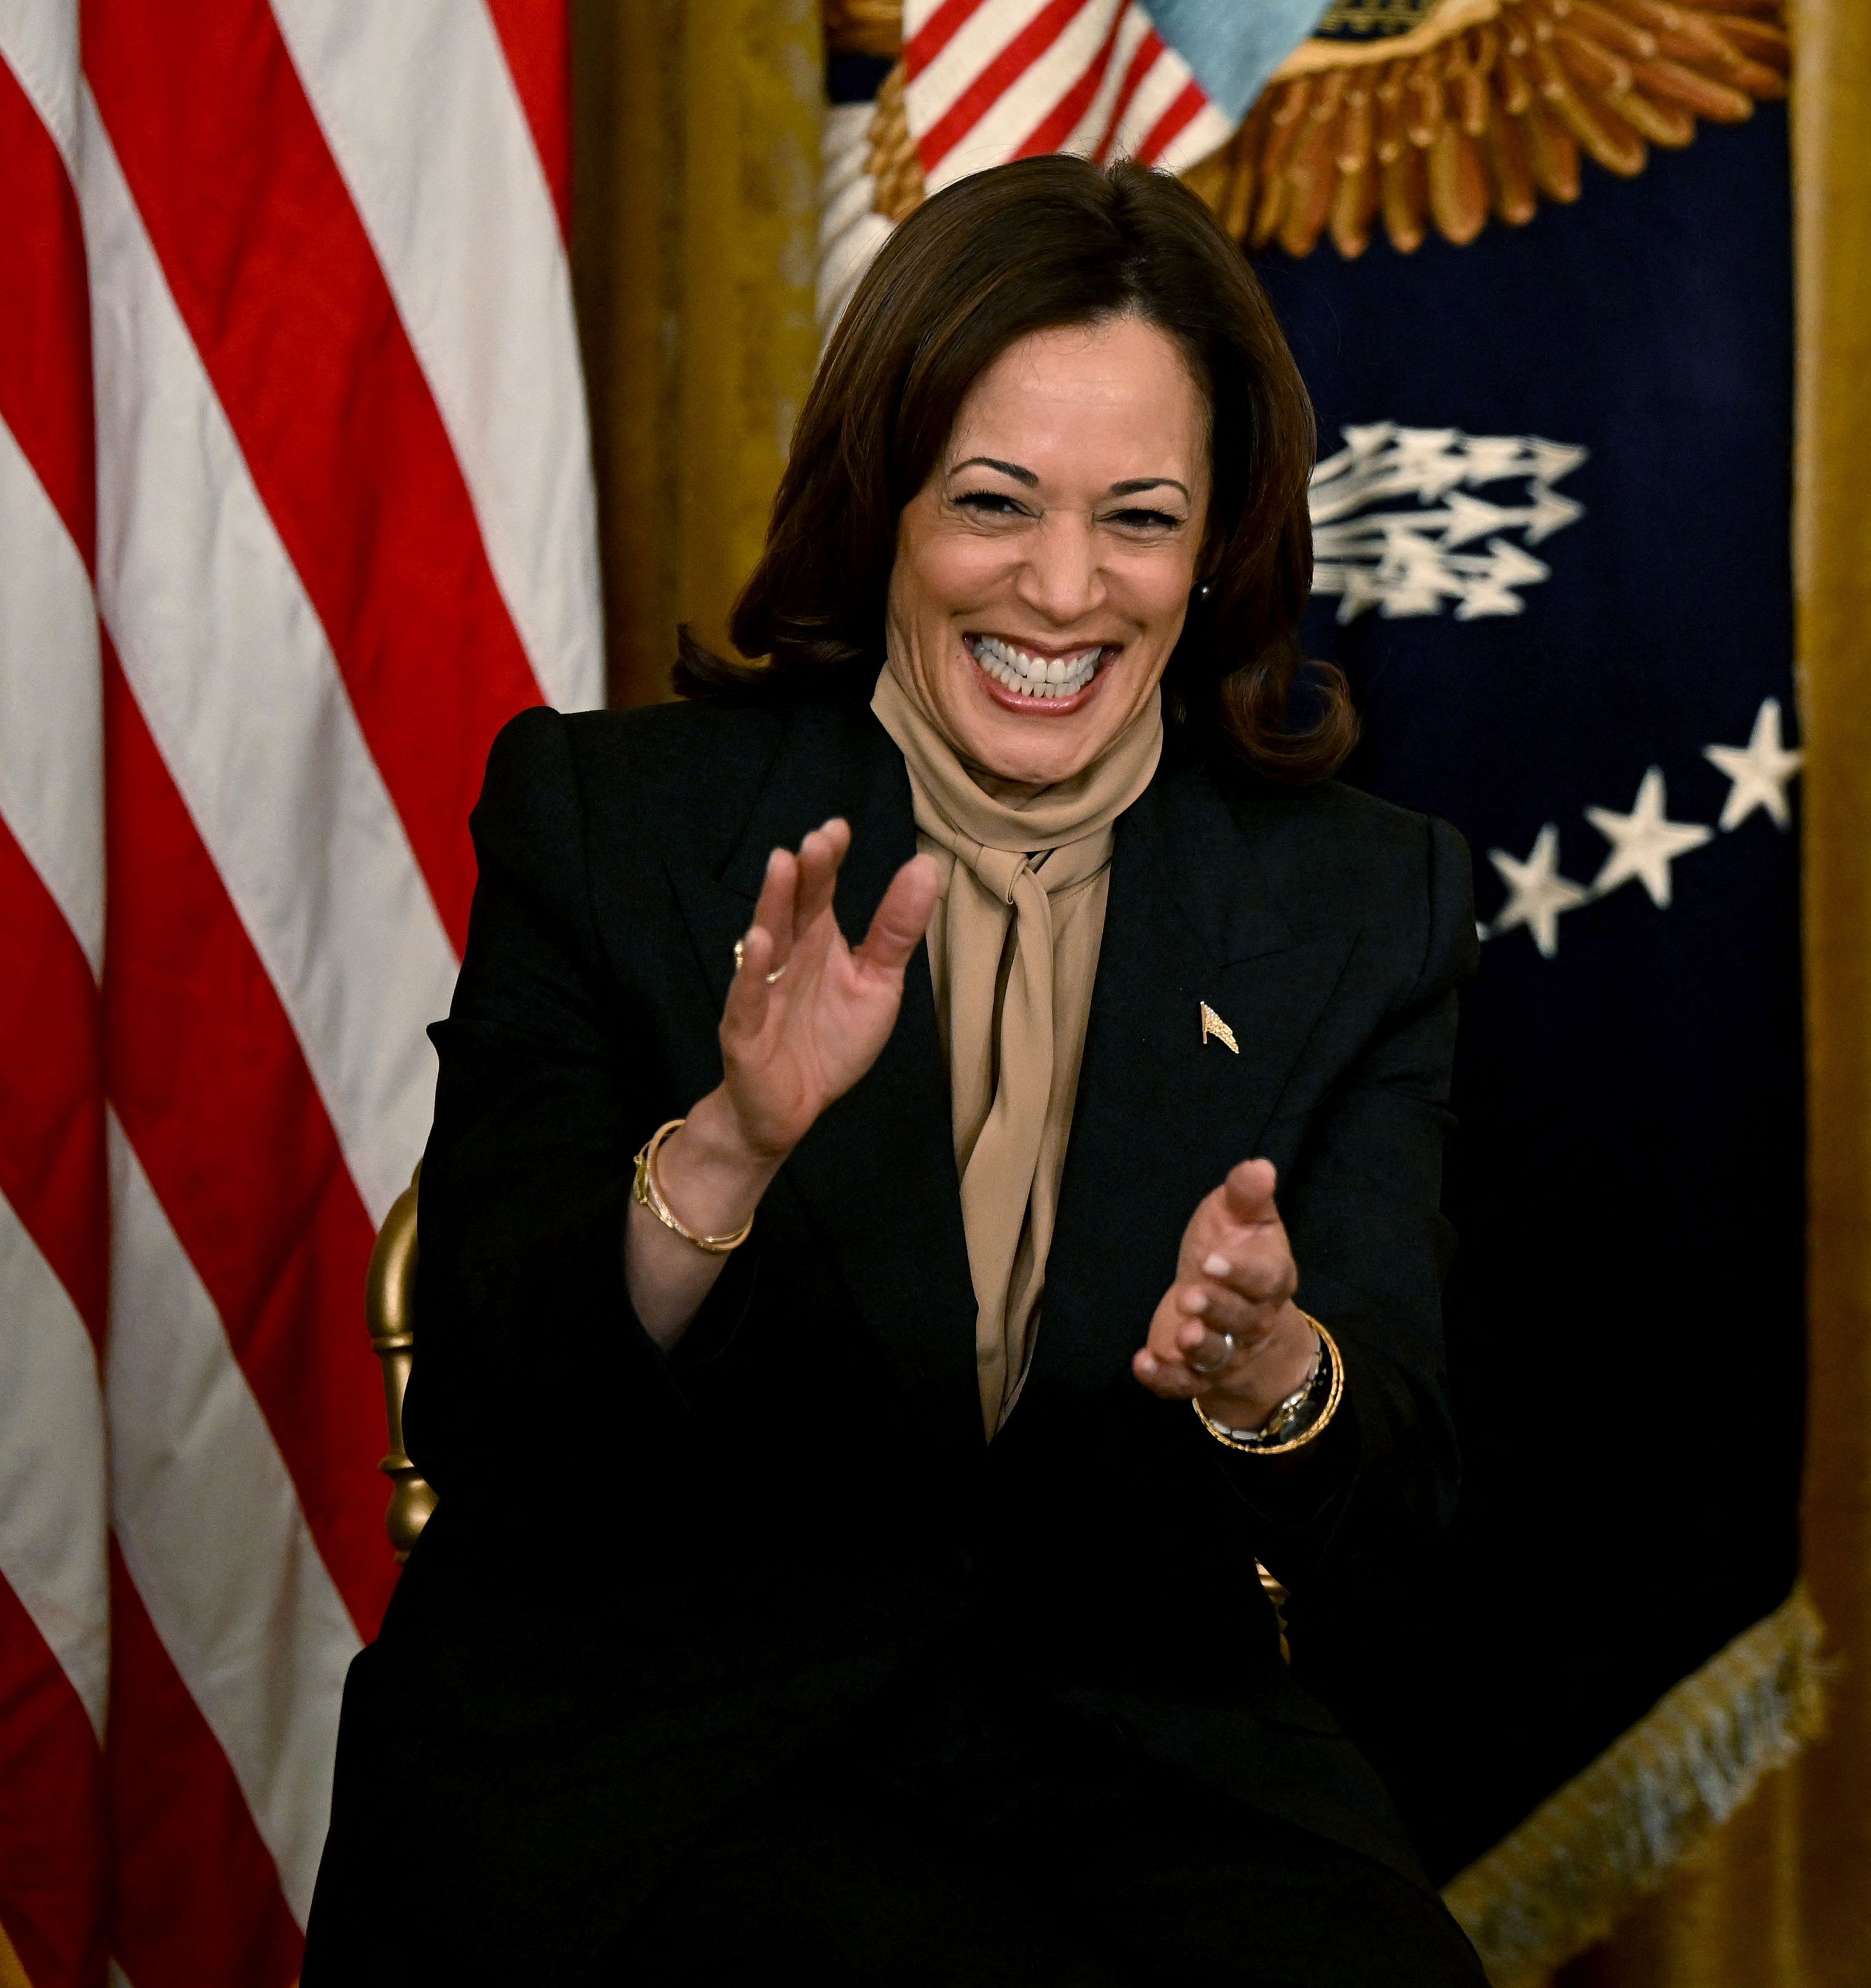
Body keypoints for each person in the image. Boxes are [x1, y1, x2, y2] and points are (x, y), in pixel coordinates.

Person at [307, 158, 1487, 1987]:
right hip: (662, 1742)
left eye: (1141, 520)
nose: (1064, 590)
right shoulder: (618, 824)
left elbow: (1396, 1505)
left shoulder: (1361, 902)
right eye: (993, 503)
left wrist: (1271, 1374)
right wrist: (726, 1149)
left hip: (1139, 1755)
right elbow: (486, 1404)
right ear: (886, 502)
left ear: (1219, 543)